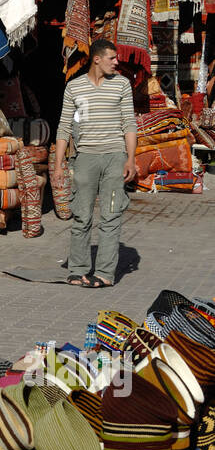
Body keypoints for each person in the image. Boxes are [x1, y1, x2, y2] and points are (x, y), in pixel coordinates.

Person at [53, 39, 138, 288]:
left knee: (111, 216)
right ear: (97, 59)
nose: (117, 62)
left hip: (115, 157)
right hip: (85, 159)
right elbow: (64, 127)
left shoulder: (122, 84)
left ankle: (104, 273)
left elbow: (129, 124)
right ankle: (78, 269)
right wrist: (58, 165)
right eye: (112, 58)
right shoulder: (74, 87)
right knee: (81, 216)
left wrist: (131, 158)